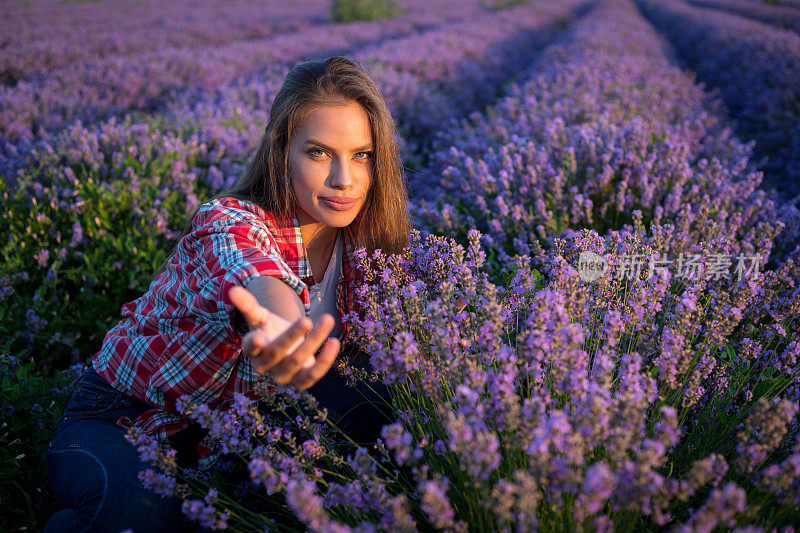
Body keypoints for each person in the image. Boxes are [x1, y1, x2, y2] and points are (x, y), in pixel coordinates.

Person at [44, 56, 410, 532]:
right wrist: (280, 325)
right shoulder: (231, 221)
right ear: (282, 152)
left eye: (361, 154)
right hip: (126, 416)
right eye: (319, 153)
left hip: (234, 433)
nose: (345, 178)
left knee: (390, 396)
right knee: (138, 517)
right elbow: (254, 275)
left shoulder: (372, 249)